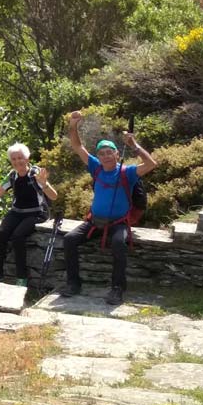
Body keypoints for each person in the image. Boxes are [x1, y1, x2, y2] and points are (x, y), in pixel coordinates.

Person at [63, 111, 157, 305]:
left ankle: (117, 289)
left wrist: (135, 146)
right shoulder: (95, 167)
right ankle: (73, 283)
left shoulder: (127, 172)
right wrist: (73, 125)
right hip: (94, 221)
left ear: (116, 154)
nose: (106, 156)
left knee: (118, 244)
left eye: (109, 152)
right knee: (70, 239)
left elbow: (151, 163)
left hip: (117, 224)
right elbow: (77, 146)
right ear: (98, 156)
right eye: (102, 153)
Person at [0, 143, 58, 286]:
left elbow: (54, 196)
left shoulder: (35, 174)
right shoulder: (12, 175)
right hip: (17, 212)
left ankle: (22, 277)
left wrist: (44, 184)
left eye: (20, 158)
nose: (17, 161)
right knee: (1, 234)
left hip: (36, 213)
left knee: (18, 236)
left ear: (27, 159)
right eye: (14, 159)